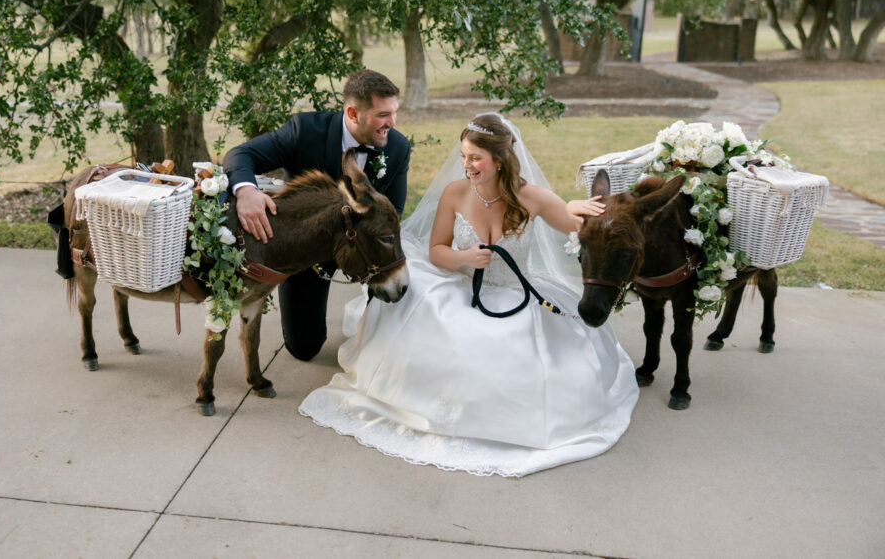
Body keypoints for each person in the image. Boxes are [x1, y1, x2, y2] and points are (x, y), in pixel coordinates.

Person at [299, 113, 639, 477]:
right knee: (446, 341)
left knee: (521, 361)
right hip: (456, 286)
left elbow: (579, 228)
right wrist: (466, 258)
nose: (466, 164)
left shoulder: (534, 198)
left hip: (513, 294)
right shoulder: (456, 193)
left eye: (475, 157)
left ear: (499, 159)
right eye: (464, 156)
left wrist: (573, 209)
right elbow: (436, 251)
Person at [223, 69, 411, 361]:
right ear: (352, 112)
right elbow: (240, 155)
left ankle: (379, 346)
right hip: (308, 254)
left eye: (394, 113)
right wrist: (246, 192)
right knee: (304, 347)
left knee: (395, 300)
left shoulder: (398, 148)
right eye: (383, 115)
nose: (392, 123)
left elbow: (394, 212)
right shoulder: (304, 130)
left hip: (365, 249)